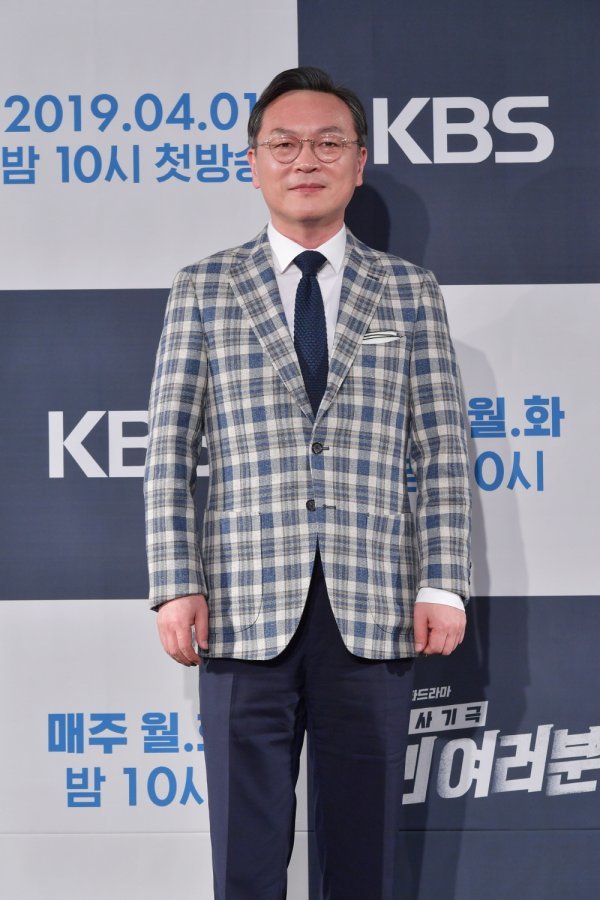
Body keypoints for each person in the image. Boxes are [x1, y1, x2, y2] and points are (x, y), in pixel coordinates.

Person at [144, 66, 471, 900]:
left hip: (375, 604)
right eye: (283, 144)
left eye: (329, 143)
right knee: (245, 852)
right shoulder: (204, 288)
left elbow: (441, 450)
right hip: (241, 603)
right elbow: (170, 451)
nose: (306, 160)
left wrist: (443, 583)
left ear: (359, 162)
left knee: (364, 851)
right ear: (253, 162)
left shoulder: (409, 292)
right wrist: (176, 583)